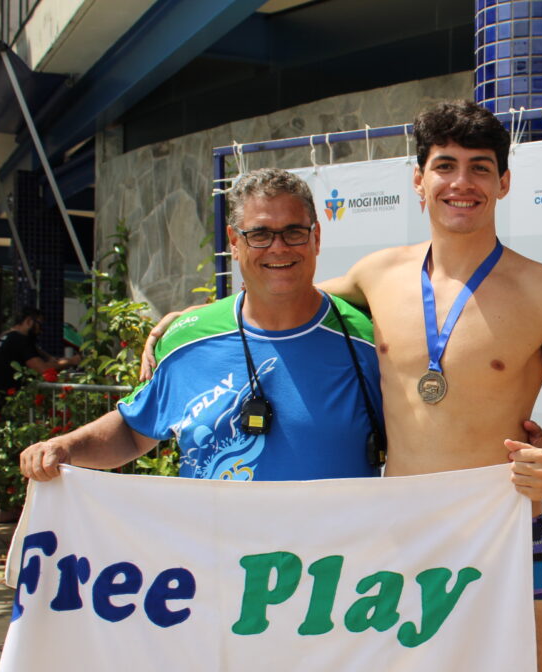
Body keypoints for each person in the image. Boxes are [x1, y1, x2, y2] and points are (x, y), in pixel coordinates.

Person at [145, 100, 542, 672]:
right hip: (395, 540)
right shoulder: (376, 277)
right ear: (417, 180)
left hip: (501, 531)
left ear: (504, 184)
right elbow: (279, 302)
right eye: (445, 166)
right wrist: (194, 316)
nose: (462, 183)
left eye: (480, 169)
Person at [20, 167, 382, 485]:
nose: (278, 248)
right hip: (216, 561)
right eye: (259, 234)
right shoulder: (188, 339)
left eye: (293, 233)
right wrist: (65, 447)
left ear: (316, 237)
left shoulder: (368, 341)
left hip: (332, 562)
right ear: (234, 243)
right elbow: (133, 432)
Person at [0, 307, 81, 406]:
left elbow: (35, 351)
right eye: (39, 324)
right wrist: (71, 361)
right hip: (13, 400)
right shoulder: (20, 340)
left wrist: (49, 358)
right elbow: (42, 369)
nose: (40, 330)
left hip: (0, 397)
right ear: (29, 321)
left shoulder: (6, 336)